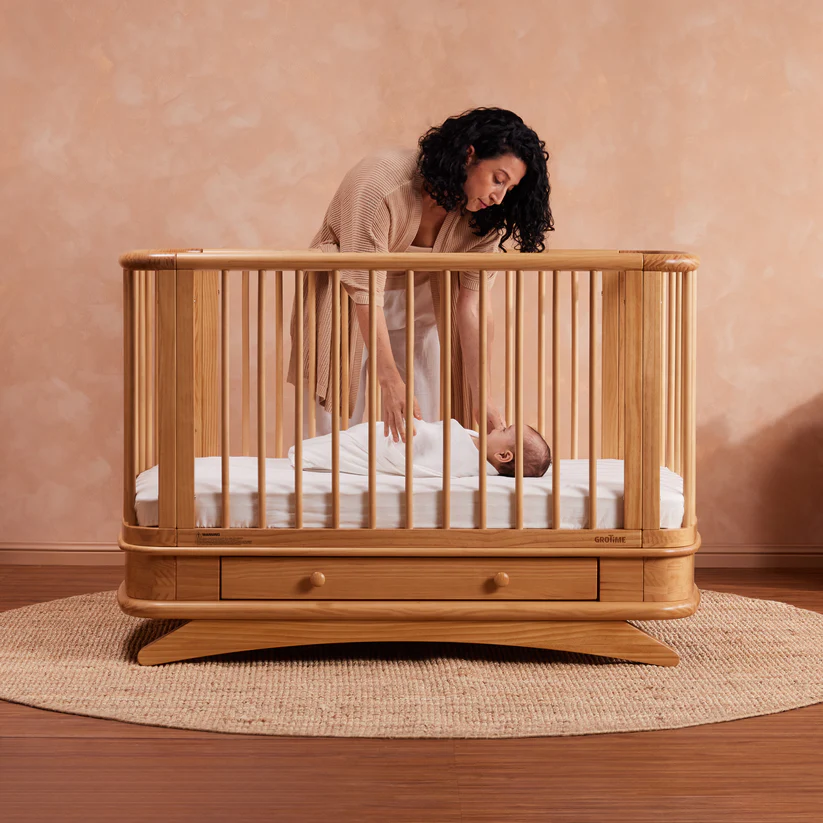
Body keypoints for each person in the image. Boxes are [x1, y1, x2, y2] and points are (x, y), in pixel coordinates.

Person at [287, 107, 554, 442]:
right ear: (468, 155)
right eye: (498, 179)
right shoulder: (380, 184)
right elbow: (364, 289)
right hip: (347, 301)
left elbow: (473, 306)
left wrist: (482, 397)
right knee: (330, 434)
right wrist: (389, 380)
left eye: (510, 189)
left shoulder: (483, 220)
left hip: (421, 310)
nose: (499, 197)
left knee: (422, 430)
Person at [289, 418, 552, 479]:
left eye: (505, 431)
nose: (499, 426)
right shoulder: (479, 446)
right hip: (393, 432)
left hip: (386, 447)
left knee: (335, 447)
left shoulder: (467, 460)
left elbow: (429, 447)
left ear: (503, 455)